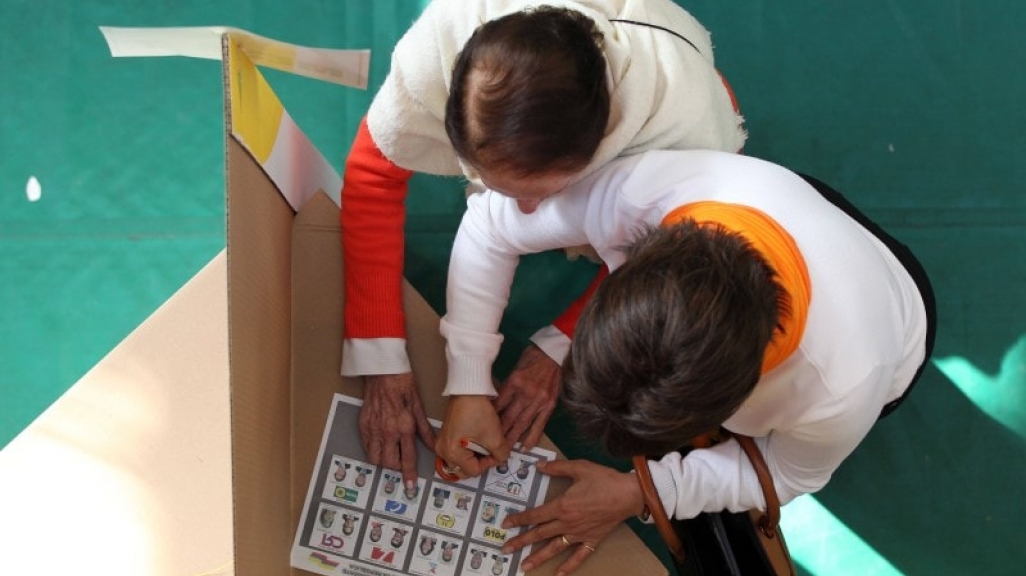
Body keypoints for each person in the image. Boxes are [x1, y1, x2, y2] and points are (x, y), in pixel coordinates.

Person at [438, 149, 936, 574]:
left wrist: (642, 492)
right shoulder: (640, 193)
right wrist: (467, 379)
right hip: (782, 201)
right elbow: (489, 224)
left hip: (897, 305)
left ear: (740, 397)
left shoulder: (843, 385)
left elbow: (790, 473)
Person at [339, 0, 746, 487]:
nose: (524, 217)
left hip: (671, 101)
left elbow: (661, 257)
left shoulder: (687, 129)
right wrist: (383, 355)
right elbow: (376, 177)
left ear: (601, 150)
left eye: (545, 193)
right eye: (496, 186)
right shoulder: (437, 49)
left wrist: (559, 346)